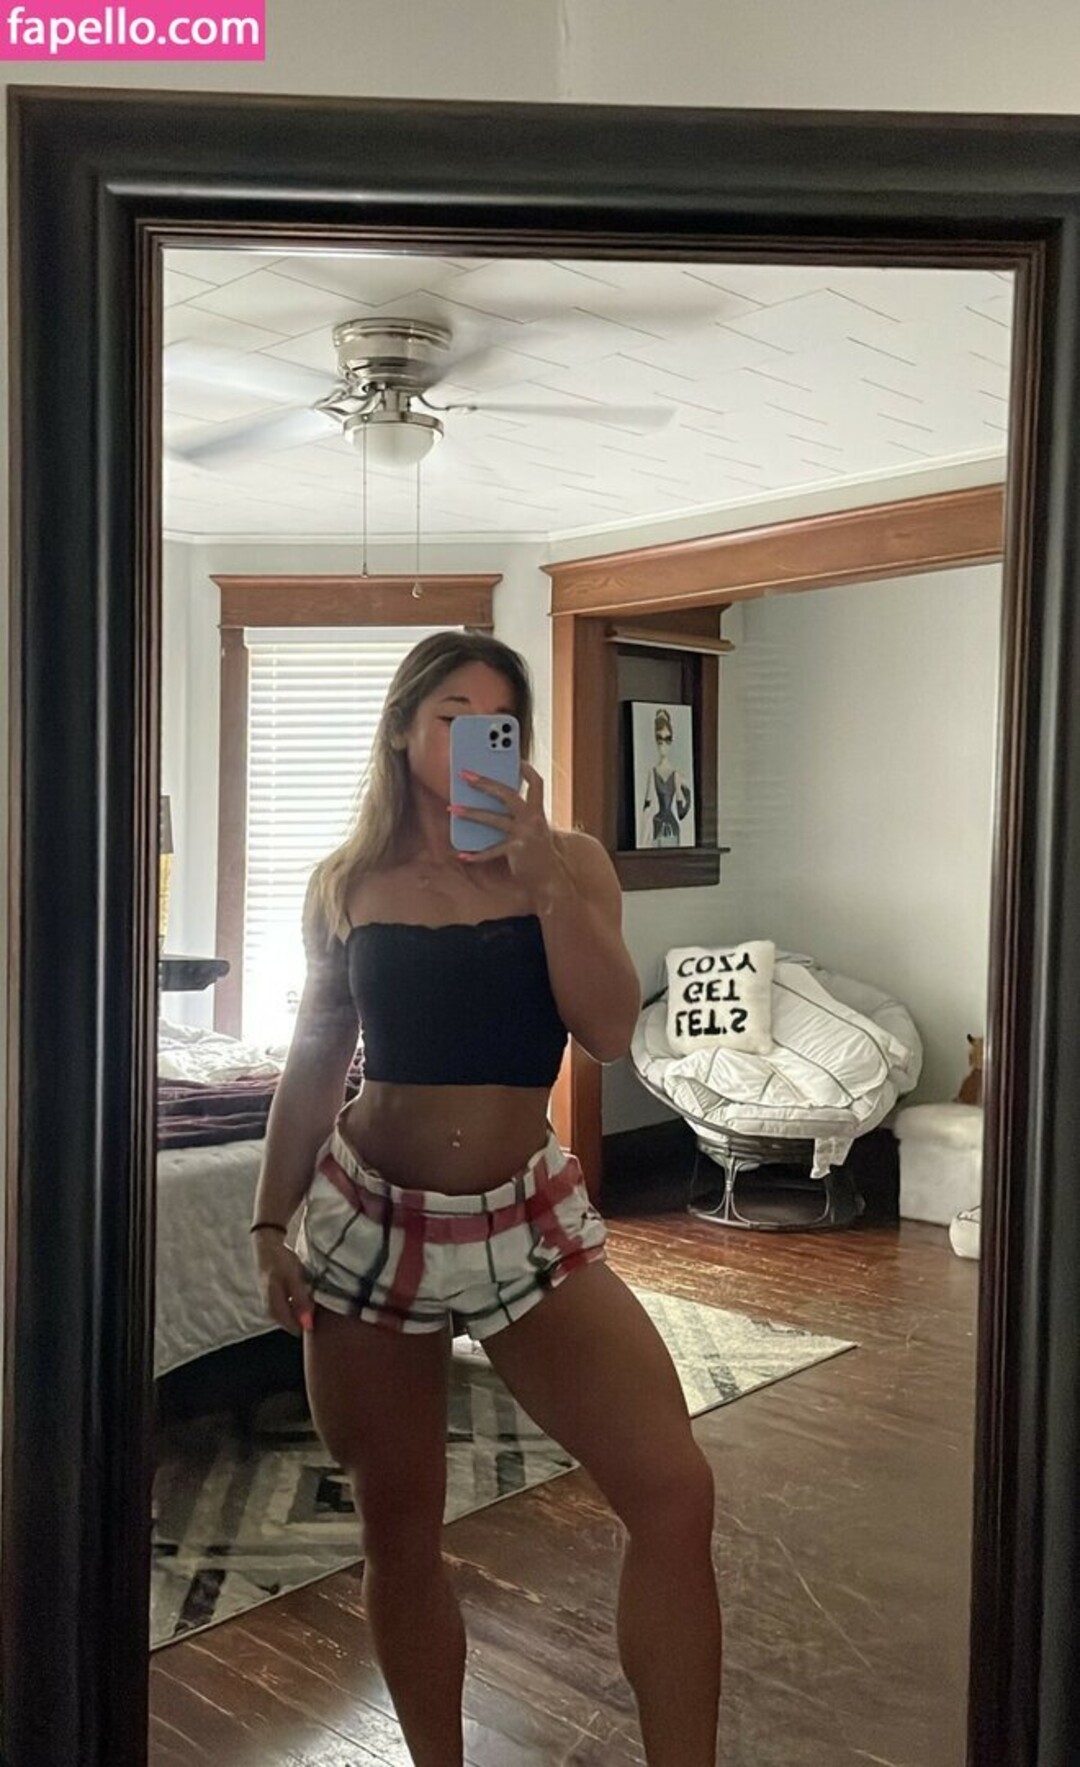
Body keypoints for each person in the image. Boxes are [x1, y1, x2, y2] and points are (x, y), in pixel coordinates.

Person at [250, 631, 722, 1767]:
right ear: (402, 730)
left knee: (674, 1492)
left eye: (494, 720)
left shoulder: (570, 862)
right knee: (400, 1530)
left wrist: (546, 882)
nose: (472, 737)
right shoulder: (347, 882)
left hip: (527, 1219)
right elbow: (316, 1060)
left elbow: (608, 1031)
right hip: (370, 1224)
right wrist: (270, 1221)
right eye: (449, 714)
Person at [638, 706, 693, 849]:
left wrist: (687, 795)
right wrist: (643, 835)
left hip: (671, 826)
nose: (663, 744)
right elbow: (647, 806)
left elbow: (681, 812)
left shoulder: (675, 775)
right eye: (660, 739)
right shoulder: (652, 773)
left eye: (667, 739)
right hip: (657, 824)